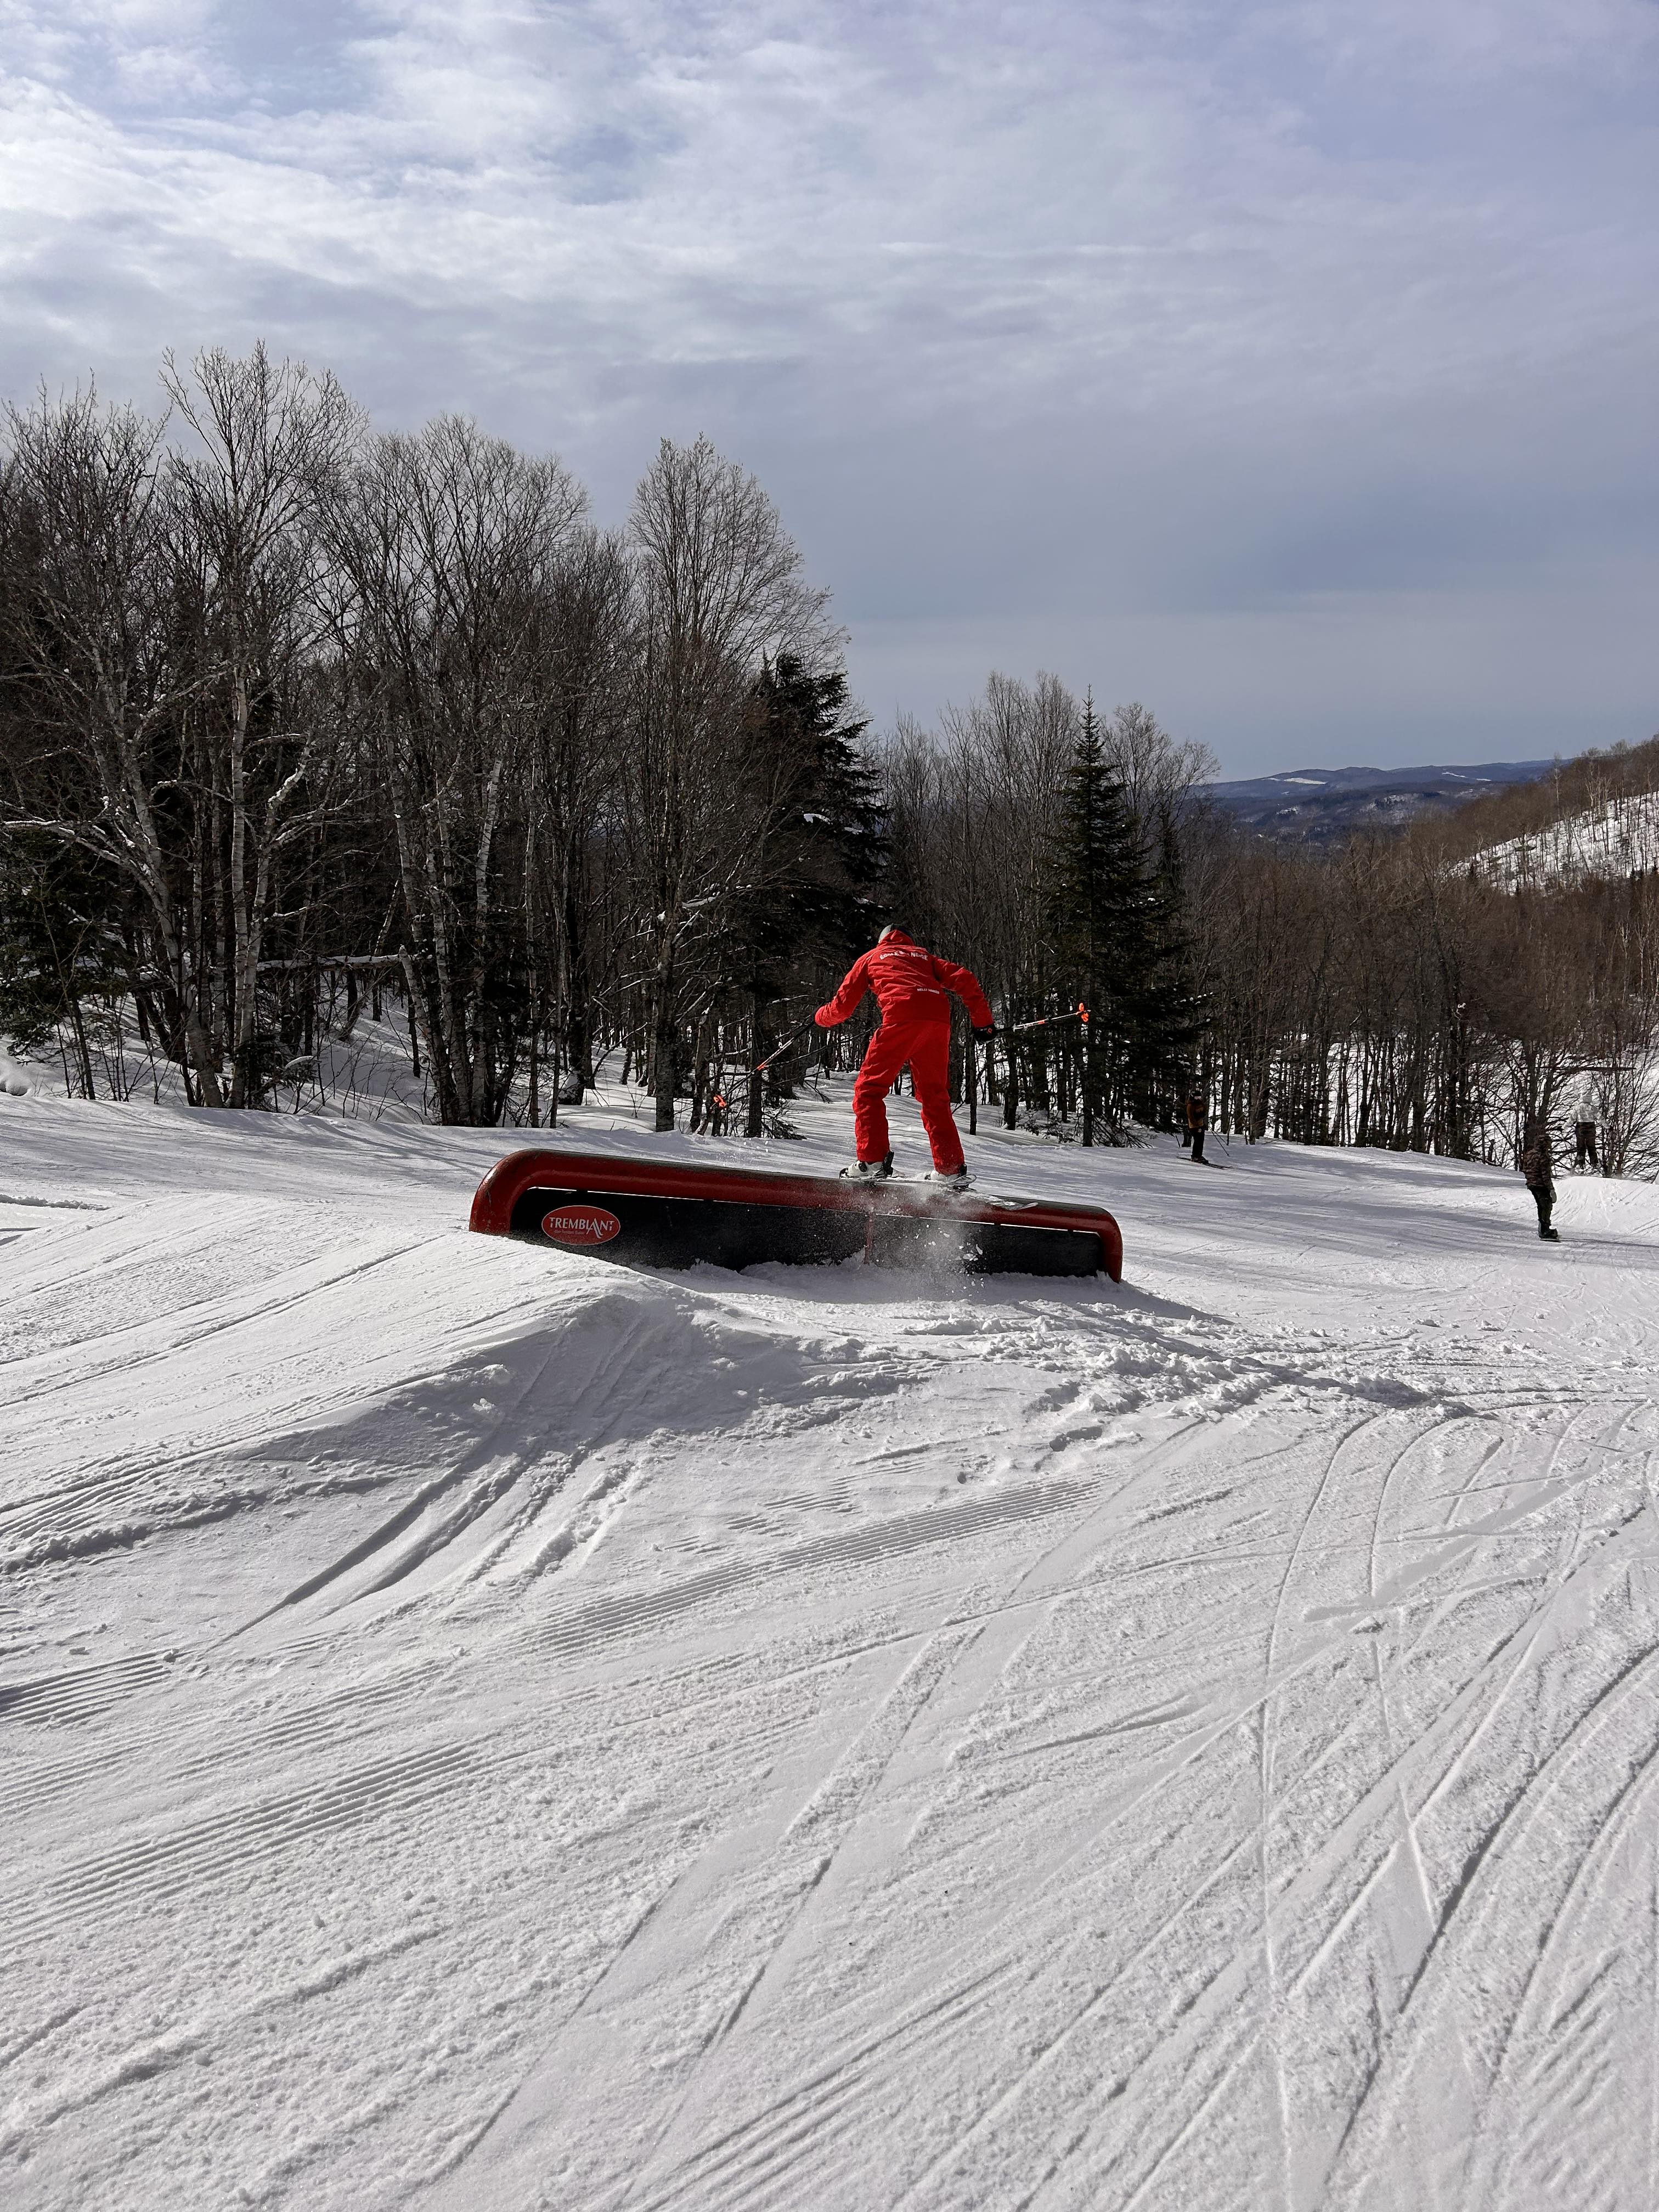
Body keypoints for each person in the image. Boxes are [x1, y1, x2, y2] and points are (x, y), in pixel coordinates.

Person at [815, 926, 994, 1184]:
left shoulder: (871, 958)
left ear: (881, 941)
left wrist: (820, 1018)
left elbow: (842, 1008)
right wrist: (983, 1024)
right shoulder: (924, 958)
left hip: (901, 1018)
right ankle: (950, 1169)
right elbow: (964, 978)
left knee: (869, 1090)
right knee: (935, 1098)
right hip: (938, 1022)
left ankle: (872, 1161)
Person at [1520, 1117, 1560, 1241]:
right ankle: (1545, 1231)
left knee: (1541, 1206)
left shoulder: (1529, 1154)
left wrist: (1530, 1180)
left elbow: (1525, 1169)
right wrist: (1551, 1189)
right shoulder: (1543, 1157)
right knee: (1546, 1205)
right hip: (1540, 1186)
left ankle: (1543, 1229)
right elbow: (1545, 1175)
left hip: (1532, 1184)